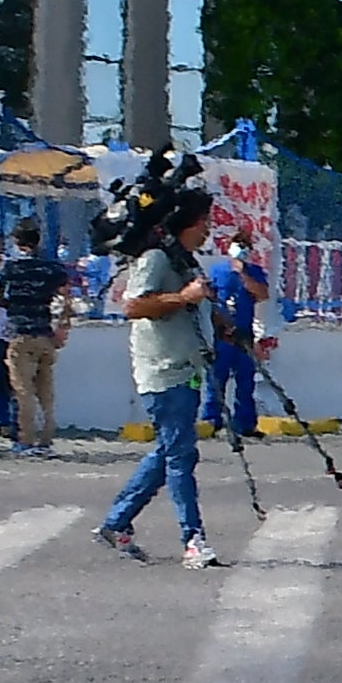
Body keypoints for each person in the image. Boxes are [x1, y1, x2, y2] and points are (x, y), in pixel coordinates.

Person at [96, 180, 222, 568]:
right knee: (181, 456)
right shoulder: (156, 259)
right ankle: (192, 539)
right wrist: (184, 298)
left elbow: (193, 307)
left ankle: (116, 523)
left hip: (188, 371)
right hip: (164, 373)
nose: (208, 229)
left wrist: (222, 323)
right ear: (188, 222)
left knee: (169, 451)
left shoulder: (183, 259)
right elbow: (133, 306)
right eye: (204, 221)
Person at [0, 215, 71, 455]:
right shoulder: (52, 268)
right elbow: (66, 299)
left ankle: (26, 439)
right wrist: (62, 327)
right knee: (45, 389)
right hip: (45, 332)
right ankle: (46, 437)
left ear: (17, 242)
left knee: (23, 390)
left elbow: (1, 299)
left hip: (20, 333)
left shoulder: (11, 268)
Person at [205, 236, 265, 442]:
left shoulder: (254, 272)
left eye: (246, 247)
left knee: (246, 381)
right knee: (216, 379)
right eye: (238, 246)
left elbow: (262, 294)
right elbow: (209, 298)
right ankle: (212, 421)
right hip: (221, 335)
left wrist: (242, 274)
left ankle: (246, 424)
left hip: (244, 334)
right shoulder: (217, 271)